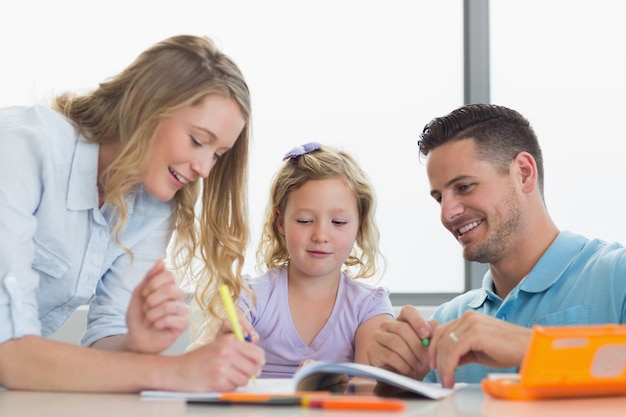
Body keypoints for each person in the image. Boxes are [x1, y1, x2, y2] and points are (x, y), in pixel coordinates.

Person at [0, 34, 264, 392]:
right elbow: (9, 355)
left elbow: (106, 337)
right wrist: (177, 371)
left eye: (217, 154)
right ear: (146, 107)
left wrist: (136, 344)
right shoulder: (18, 150)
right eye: (198, 140)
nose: (204, 167)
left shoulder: (153, 202)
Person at [367, 103, 626, 388]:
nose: (447, 213)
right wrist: (397, 383)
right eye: (439, 198)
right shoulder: (447, 322)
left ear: (524, 173)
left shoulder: (617, 275)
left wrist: (531, 347)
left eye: (464, 187)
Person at [193, 142, 394, 377]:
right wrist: (218, 348)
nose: (320, 236)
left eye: (338, 222)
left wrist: (334, 385)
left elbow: (371, 391)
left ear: (360, 226)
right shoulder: (250, 297)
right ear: (280, 222)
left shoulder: (369, 307)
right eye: (304, 221)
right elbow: (194, 367)